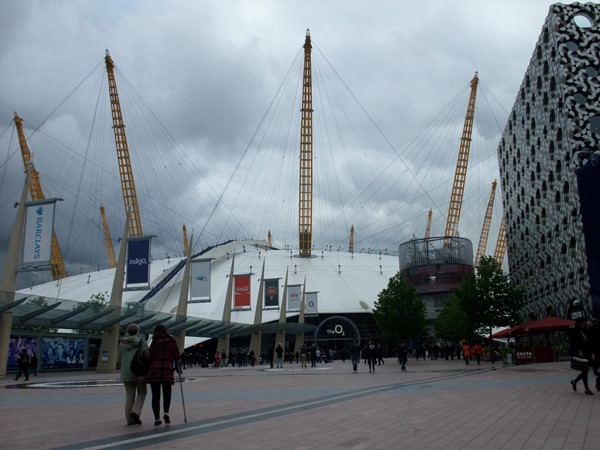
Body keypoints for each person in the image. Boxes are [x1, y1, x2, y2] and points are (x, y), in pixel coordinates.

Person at [146, 325, 181, 425]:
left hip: (154, 371)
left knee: (155, 396)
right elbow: (177, 355)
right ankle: (166, 412)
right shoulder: (172, 341)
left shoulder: (154, 342)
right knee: (167, 394)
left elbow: (149, 356)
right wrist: (178, 368)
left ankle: (157, 418)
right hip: (166, 370)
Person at [117, 323, 148, 425]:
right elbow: (147, 356)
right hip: (139, 372)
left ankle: (129, 420)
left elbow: (118, 359)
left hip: (126, 372)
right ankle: (135, 411)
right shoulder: (142, 342)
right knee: (142, 393)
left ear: (127, 331)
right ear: (137, 331)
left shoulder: (122, 343)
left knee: (129, 396)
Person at [569, 317, 594, 395]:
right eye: (581, 324)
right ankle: (586, 389)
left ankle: (574, 381)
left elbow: (590, 342)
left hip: (587, 353)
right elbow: (573, 343)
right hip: (580, 354)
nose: (583, 325)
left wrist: (592, 352)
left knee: (585, 371)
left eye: (584, 323)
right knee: (585, 370)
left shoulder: (586, 331)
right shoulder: (574, 332)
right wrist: (578, 350)